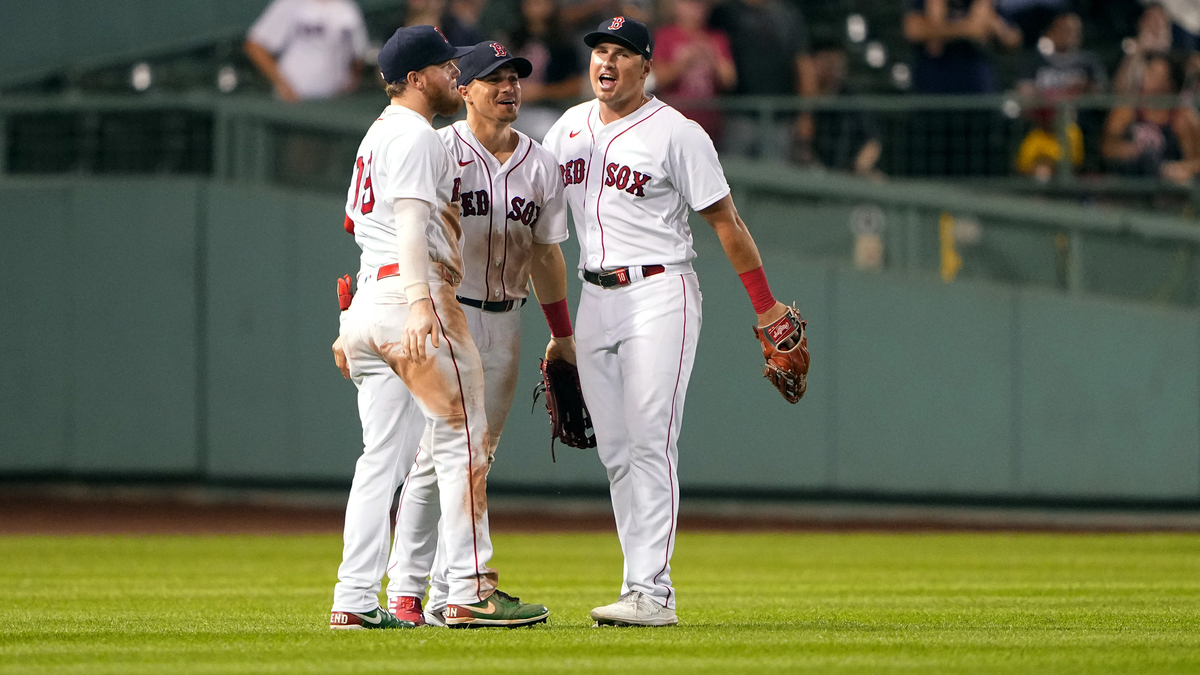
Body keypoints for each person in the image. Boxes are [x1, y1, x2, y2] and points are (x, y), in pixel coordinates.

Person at [542, 17, 803, 626]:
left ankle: (653, 592)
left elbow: (727, 224)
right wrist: (560, 332)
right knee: (615, 453)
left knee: (650, 434)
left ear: (647, 66)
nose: (606, 63)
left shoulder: (676, 134)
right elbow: (539, 226)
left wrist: (765, 306)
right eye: (599, 52)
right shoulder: (568, 129)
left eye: (621, 54)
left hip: (662, 290)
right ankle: (637, 584)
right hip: (593, 297)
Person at [329, 25, 549, 630]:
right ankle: (469, 591)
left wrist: (352, 322)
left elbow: (357, 226)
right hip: (412, 296)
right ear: (418, 76)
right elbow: (407, 225)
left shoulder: (374, 136)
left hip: (371, 299)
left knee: (382, 460)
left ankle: (352, 600)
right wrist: (424, 303)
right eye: (446, 66)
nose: (456, 73)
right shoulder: (418, 135)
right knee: (463, 440)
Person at [381, 40, 576, 627]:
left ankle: (442, 590)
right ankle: (414, 588)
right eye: (494, 78)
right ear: (463, 88)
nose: (509, 86)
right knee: (436, 457)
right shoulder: (438, 151)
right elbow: (403, 230)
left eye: (515, 76)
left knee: (474, 458)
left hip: (505, 321)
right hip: (447, 312)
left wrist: (562, 334)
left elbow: (546, 257)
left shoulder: (540, 164)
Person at [707, 0, 815, 162]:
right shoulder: (724, 13)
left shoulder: (788, 15)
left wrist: (806, 114)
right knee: (729, 178)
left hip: (780, 118)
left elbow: (803, 65)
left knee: (774, 181)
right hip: (736, 114)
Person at [1014, 11, 1108, 180]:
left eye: (1075, 30)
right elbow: (1025, 97)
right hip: (1041, 130)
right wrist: (1068, 91)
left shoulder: (1088, 62)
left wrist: (1081, 89)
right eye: (1064, 29)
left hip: (1076, 129)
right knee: (1038, 168)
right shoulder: (1035, 61)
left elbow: (1100, 97)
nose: (1070, 34)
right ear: (1051, 31)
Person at [1103, 53, 1200, 185]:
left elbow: (1196, 160)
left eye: (1156, 75)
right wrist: (1126, 150)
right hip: (1131, 180)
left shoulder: (1184, 117)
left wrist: (1180, 168)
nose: (1146, 79)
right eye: (1147, 72)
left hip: (1169, 186)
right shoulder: (1127, 109)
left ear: (1170, 83)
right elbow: (1106, 147)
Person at [244, 0, 369, 102]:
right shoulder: (291, 4)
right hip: (296, 105)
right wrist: (282, 84)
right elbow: (255, 45)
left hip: (335, 104)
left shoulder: (348, 8)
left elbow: (359, 54)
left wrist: (352, 81)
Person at [652, 0, 736, 142]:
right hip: (674, 124)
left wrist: (713, 59)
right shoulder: (664, 36)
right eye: (690, 4)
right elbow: (656, 80)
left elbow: (730, 81)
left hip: (709, 125)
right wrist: (682, 64)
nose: (696, 10)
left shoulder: (716, 38)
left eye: (701, 4)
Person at [903, 0, 1022, 94]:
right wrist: (967, 29)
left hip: (976, 89)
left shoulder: (981, 4)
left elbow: (1013, 39)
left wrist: (996, 26)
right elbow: (912, 30)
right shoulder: (927, 3)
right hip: (932, 90)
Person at [507, 0, 585, 140]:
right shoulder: (512, 37)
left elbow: (576, 85)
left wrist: (540, 92)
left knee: (549, 133)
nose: (536, 7)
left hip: (547, 110)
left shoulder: (563, 42)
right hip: (508, 109)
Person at [809, 44, 882, 177]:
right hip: (810, 173)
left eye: (836, 63)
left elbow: (872, 142)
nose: (832, 69)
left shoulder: (851, 98)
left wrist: (858, 168)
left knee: (878, 180)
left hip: (847, 173)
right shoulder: (800, 98)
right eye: (826, 61)